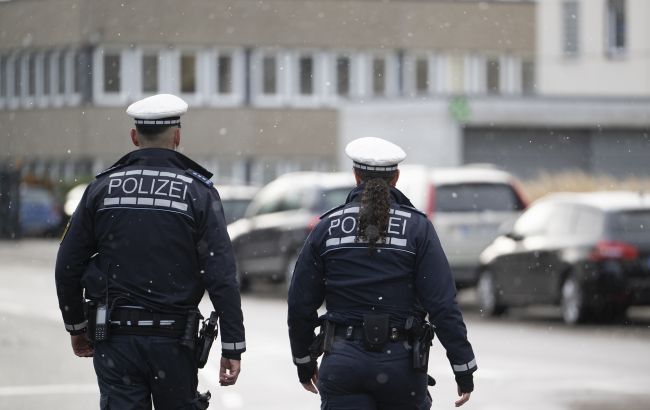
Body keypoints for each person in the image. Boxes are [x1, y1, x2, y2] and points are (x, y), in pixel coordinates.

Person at [55, 94, 245, 410]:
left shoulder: (101, 189)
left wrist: (76, 326)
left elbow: (67, 265)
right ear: (177, 137)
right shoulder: (198, 192)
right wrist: (233, 345)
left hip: (115, 339)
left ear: (134, 137)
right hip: (174, 342)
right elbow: (221, 275)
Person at [287, 137, 477, 409]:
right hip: (402, 366)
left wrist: (304, 361)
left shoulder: (327, 227)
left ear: (356, 176)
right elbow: (442, 304)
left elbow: (300, 303)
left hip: (342, 364)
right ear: (396, 178)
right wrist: (463, 366)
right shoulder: (418, 228)